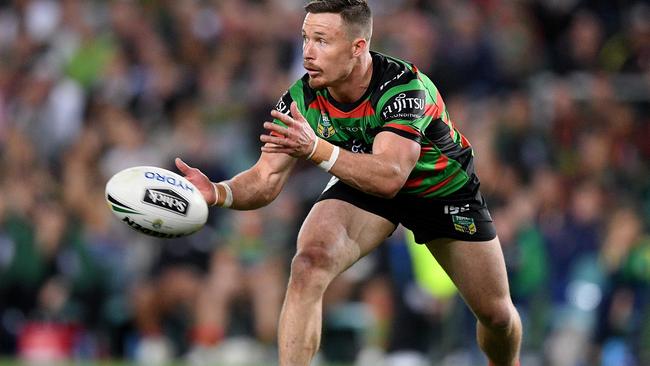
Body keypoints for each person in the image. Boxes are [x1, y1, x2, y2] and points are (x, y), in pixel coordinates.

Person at [175, 1, 522, 365]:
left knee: (496, 316)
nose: (308, 53)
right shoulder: (301, 98)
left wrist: (317, 149)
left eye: (322, 41)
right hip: (362, 181)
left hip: (440, 191)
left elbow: (390, 175)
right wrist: (220, 191)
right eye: (305, 39)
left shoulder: (405, 88)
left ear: (358, 47)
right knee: (308, 263)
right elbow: (266, 177)